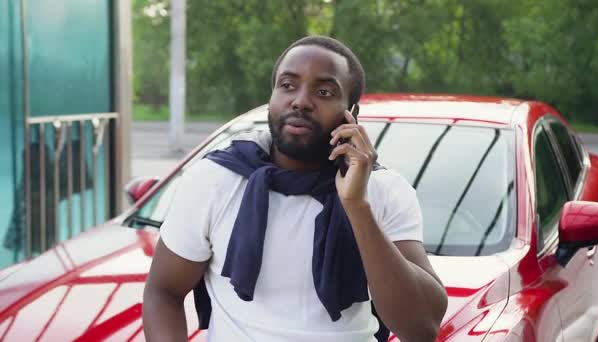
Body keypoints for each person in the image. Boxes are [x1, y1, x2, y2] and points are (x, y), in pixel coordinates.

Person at [143, 35, 447, 342]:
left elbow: (421, 328)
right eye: (287, 85)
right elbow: (164, 291)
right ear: (272, 97)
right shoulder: (216, 179)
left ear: (351, 114)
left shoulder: (383, 190)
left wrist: (356, 205)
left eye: (324, 91)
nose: (300, 100)